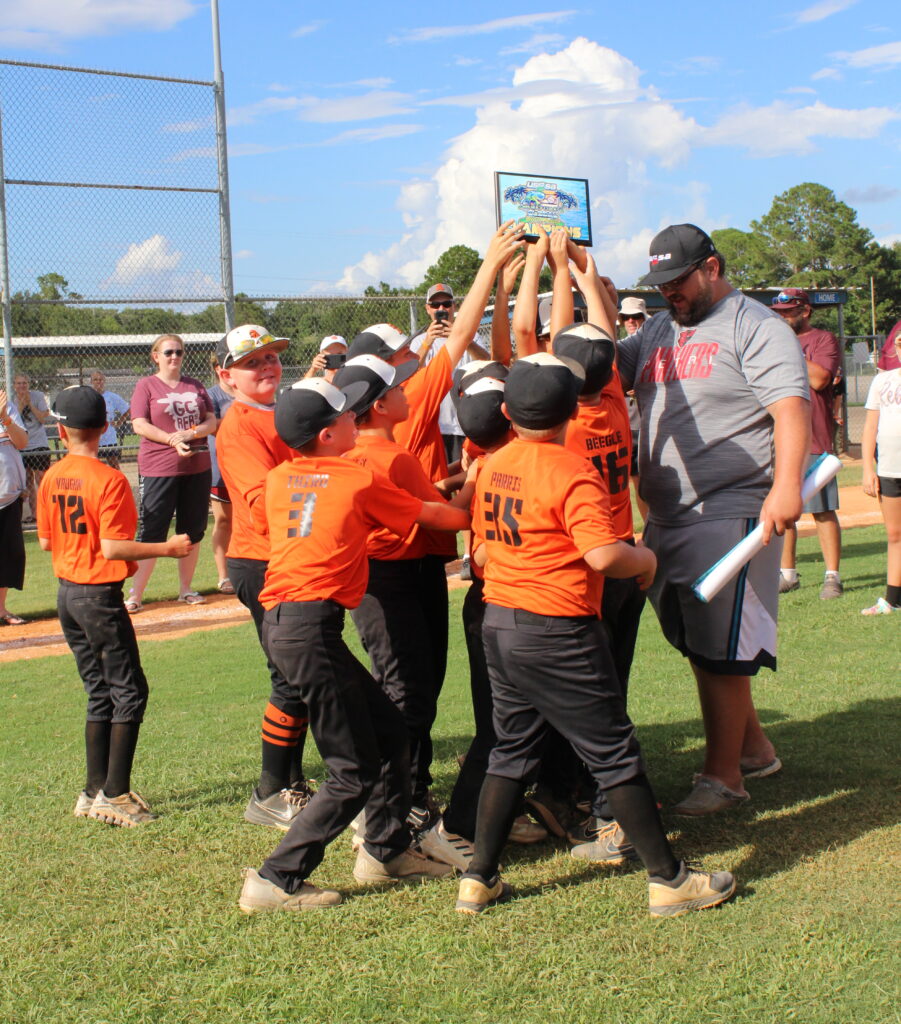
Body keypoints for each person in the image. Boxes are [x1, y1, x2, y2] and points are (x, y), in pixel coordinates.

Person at [455, 353, 735, 918]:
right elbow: (603, 554)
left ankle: (478, 878)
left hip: (501, 622)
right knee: (614, 751)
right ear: (568, 415)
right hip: (556, 627)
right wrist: (644, 557)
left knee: (510, 751)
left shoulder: (491, 462)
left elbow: (481, 547)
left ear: (507, 412)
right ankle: (669, 880)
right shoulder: (570, 469)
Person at [237, 378, 471, 913]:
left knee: (391, 734)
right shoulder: (355, 477)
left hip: (290, 626)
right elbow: (440, 516)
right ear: (326, 435)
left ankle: (387, 851)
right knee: (352, 770)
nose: (355, 422)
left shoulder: (277, 479)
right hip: (308, 631)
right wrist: (481, 492)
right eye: (346, 418)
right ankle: (276, 878)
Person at [617, 223, 810, 816]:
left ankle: (724, 776)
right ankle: (752, 747)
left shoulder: (756, 325)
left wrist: (784, 486)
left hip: (731, 506)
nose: (669, 293)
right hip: (668, 514)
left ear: (713, 267)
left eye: (678, 281)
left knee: (722, 649)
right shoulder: (655, 328)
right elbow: (605, 365)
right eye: (660, 284)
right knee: (697, 641)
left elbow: (789, 407)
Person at [337, 353, 475, 861]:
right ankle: (398, 800)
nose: (406, 393)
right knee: (409, 690)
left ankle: (405, 790)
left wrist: (449, 483)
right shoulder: (390, 456)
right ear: (377, 406)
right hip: (401, 574)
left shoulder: (357, 453)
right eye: (395, 389)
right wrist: (477, 484)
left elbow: (411, 500)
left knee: (399, 681)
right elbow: (440, 519)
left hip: (374, 577)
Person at [36, 386, 192, 827]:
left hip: (67, 593)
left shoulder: (51, 474)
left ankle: (92, 791)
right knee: (129, 692)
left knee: (99, 691)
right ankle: (116, 794)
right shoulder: (108, 479)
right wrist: (167, 548)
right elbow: (111, 548)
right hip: (98, 597)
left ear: (61, 430)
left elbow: (46, 540)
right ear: (105, 428)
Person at [215, 324, 315, 830]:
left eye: (272, 356)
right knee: (290, 676)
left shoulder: (275, 413)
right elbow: (262, 503)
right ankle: (271, 790)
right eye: (253, 361)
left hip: (285, 558)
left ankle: (290, 784)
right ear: (225, 375)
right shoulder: (240, 427)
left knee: (295, 676)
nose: (268, 366)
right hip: (263, 561)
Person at [126, 334, 216, 612]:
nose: (174, 357)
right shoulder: (147, 385)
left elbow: (211, 420)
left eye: (178, 352)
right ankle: (135, 593)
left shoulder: (195, 385)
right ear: (156, 356)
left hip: (197, 467)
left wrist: (190, 433)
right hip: (159, 469)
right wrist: (172, 440)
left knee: (192, 530)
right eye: (168, 353)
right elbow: (139, 424)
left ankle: (186, 589)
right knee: (152, 530)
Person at [771, 289, 844, 599]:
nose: (782, 316)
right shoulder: (771, 343)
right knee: (784, 508)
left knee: (822, 510)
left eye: (789, 310)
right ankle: (787, 573)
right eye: (779, 311)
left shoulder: (822, 340)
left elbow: (819, 379)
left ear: (805, 311)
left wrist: (787, 349)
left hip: (813, 435)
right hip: (777, 438)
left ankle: (832, 576)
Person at [860, 329, 901, 614]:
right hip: (889, 468)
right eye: (899, 342)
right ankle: (892, 600)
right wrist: (867, 468)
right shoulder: (882, 380)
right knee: (895, 534)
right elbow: (869, 429)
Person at [207, 353, 236, 595]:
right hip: (222, 467)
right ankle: (224, 576)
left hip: (251, 467)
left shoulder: (251, 391)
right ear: (218, 369)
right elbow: (215, 427)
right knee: (224, 521)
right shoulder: (211, 395)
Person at [0, 388, 28, 625]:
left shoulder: (6, 406)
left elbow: (21, 442)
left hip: (8, 494)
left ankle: (1, 609)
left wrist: (5, 418)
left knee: (9, 554)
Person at [13, 373, 52, 522]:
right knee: (27, 481)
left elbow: (42, 419)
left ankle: (46, 512)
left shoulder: (37, 396)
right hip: (22, 445)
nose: (22, 386)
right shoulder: (12, 399)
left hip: (38, 443)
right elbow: (14, 422)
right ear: (14, 386)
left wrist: (29, 404)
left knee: (41, 478)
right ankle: (34, 514)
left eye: (24, 383)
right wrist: (21, 405)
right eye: (19, 384)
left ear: (28, 384)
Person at [90, 370, 130, 469]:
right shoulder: (88, 396)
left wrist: (119, 422)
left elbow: (127, 409)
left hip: (108, 436)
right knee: (93, 465)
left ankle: (118, 482)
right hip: (92, 436)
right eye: (95, 380)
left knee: (114, 464)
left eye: (101, 380)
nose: (98, 382)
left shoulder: (111, 396)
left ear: (104, 381)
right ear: (91, 382)